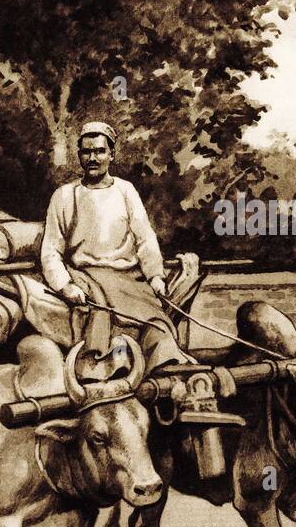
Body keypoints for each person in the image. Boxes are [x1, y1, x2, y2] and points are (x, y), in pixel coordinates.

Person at [39, 122, 190, 370]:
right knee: (101, 321)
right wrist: (65, 286)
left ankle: (165, 369)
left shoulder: (125, 190)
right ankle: (99, 369)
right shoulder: (64, 195)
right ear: (79, 156)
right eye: (86, 152)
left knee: (156, 326)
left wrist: (155, 276)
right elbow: (51, 251)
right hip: (87, 278)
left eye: (99, 151)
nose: (93, 158)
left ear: (111, 154)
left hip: (130, 281)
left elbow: (145, 238)